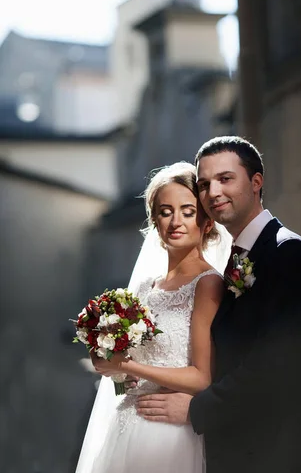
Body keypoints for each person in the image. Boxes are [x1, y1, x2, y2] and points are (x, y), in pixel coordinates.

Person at [136, 136, 301, 473]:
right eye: (204, 184)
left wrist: (195, 410)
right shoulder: (238, 259)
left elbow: (275, 366)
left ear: (256, 182)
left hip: (271, 454)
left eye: (225, 179)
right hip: (230, 451)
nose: (213, 192)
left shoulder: (285, 251)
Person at [75, 162, 231, 473]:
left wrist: (128, 365)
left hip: (168, 433)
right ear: (154, 221)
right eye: (165, 211)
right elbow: (129, 381)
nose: (176, 221)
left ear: (206, 222)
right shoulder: (146, 288)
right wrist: (114, 371)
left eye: (187, 211)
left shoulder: (208, 284)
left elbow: (202, 377)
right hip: (125, 427)